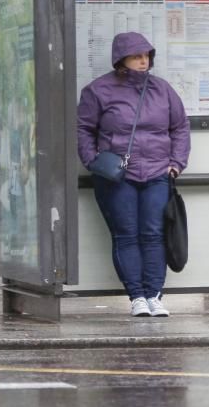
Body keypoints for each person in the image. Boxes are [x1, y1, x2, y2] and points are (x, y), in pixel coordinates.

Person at [77, 32, 190, 317]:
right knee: (126, 235)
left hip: (156, 173)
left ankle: (155, 296)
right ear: (121, 60)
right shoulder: (97, 91)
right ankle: (136, 297)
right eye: (137, 56)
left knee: (153, 234)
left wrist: (176, 162)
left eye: (147, 56)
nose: (143, 61)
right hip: (117, 176)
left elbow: (180, 127)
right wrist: (93, 161)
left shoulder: (162, 90)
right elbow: (84, 129)